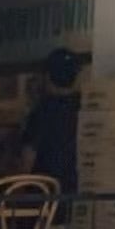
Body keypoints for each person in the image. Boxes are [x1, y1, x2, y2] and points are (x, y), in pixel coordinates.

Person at [20, 47, 82, 193]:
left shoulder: (40, 112)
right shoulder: (87, 108)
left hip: (45, 195)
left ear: (47, 76)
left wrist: (19, 191)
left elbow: (28, 159)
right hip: (80, 192)